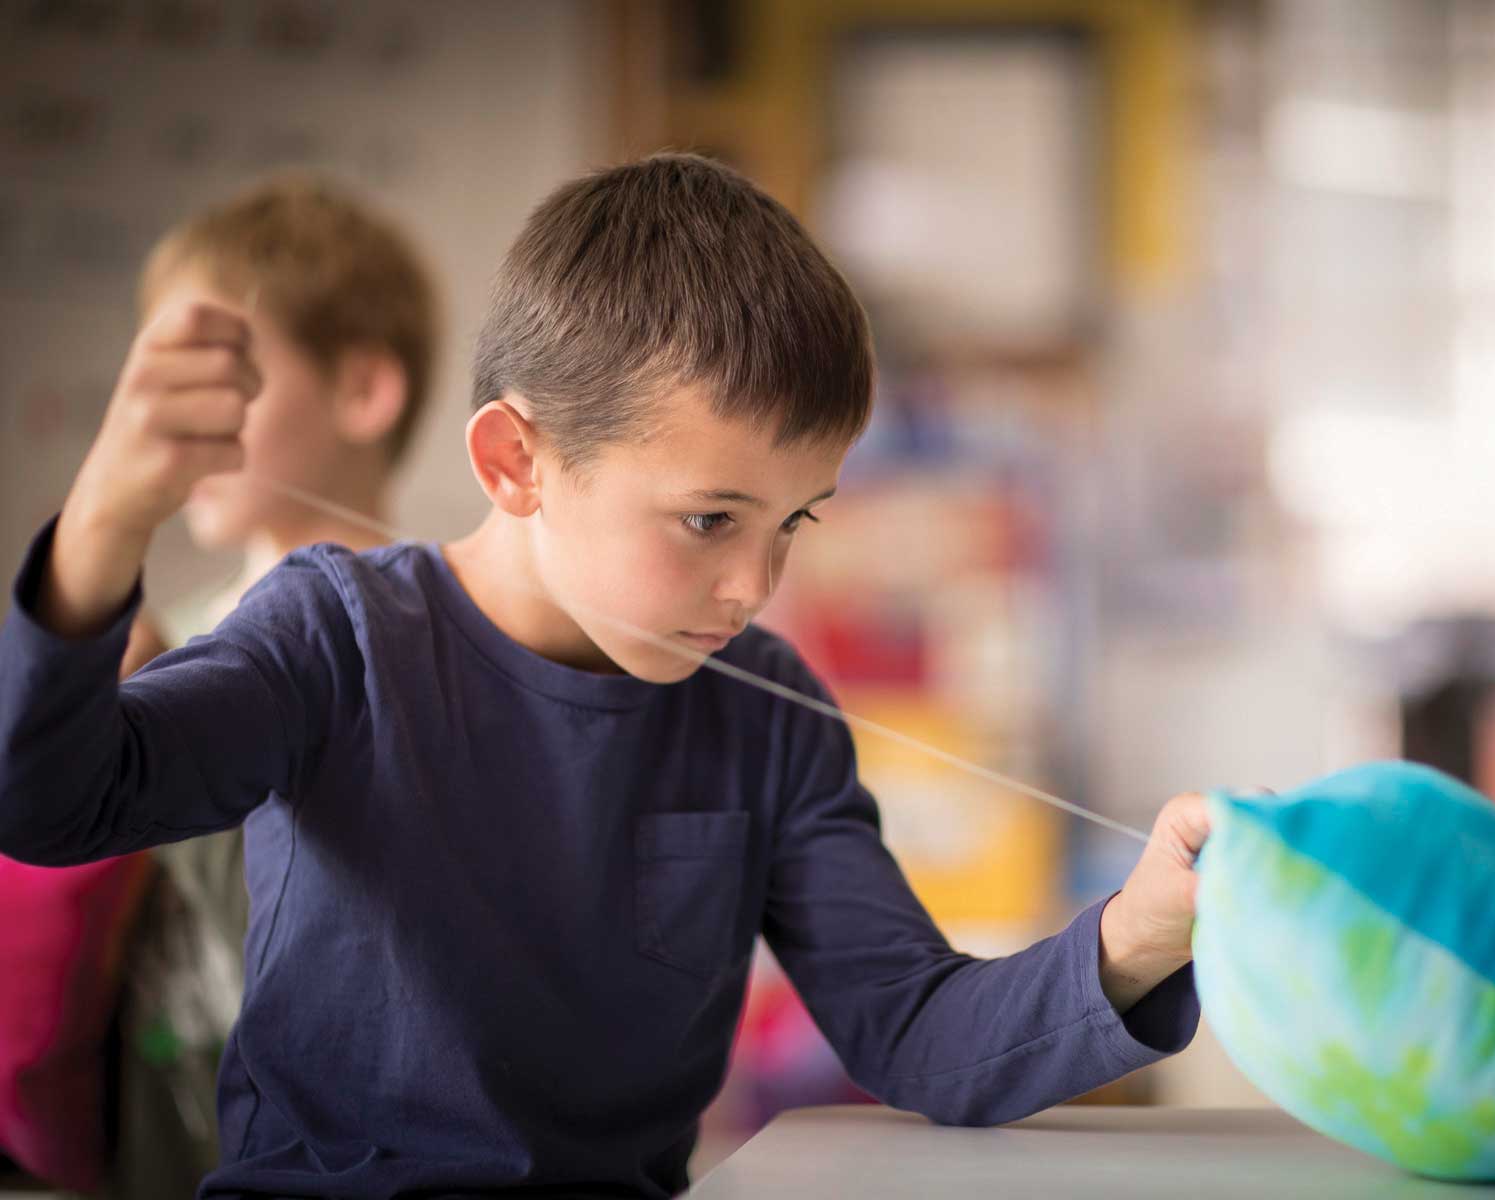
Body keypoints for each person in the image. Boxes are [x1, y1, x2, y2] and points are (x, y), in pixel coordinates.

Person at [0, 154, 1207, 1199]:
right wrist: (104, 527)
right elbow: (52, 803)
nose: (754, 586)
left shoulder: (768, 718)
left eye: (796, 522)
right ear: (516, 460)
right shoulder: (335, 634)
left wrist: (1140, 935)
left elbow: (916, 1032)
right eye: (708, 522)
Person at [117, 173, 438, 1197]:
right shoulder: (177, 625)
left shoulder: (429, 644)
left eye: (223, 377)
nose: (182, 420)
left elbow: (347, 945)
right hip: (157, 1134)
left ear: (362, 391)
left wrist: (146, 755)